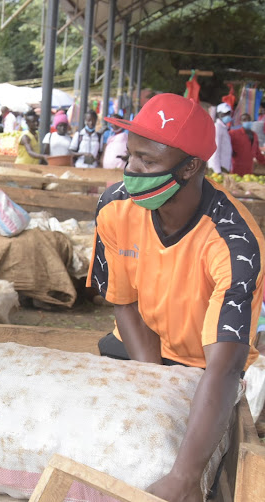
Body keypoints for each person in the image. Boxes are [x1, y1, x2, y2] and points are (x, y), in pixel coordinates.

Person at [88, 93, 263, 502]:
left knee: (191, 473)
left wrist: (185, 478)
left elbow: (225, 367)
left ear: (191, 166)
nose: (132, 170)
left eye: (148, 162)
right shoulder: (114, 207)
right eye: (130, 156)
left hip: (205, 369)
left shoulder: (235, 243)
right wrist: (153, 385)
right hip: (137, 344)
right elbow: (123, 300)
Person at [208, 102, 233, 174]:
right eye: (225, 114)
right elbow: (215, 150)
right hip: (218, 169)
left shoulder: (224, 128)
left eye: (229, 113)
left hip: (224, 167)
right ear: (219, 114)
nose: (227, 116)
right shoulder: (217, 127)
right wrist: (217, 170)